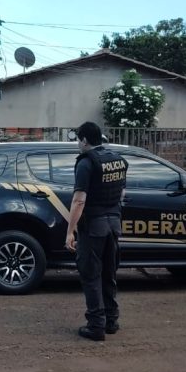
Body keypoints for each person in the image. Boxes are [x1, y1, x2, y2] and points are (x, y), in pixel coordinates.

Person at [65, 122, 128, 342]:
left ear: (84, 140)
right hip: (113, 226)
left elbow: (79, 199)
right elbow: (121, 194)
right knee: (108, 274)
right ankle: (111, 321)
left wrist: (70, 231)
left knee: (91, 275)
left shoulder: (86, 163)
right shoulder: (118, 160)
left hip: (93, 228)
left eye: (78, 140)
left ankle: (96, 325)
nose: (77, 144)